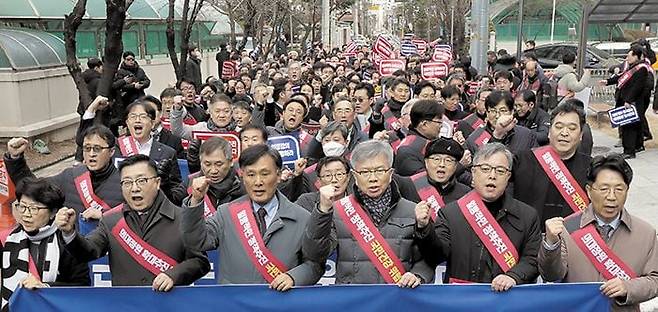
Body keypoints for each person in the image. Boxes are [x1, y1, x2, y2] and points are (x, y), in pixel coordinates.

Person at [55, 155, 210, 289]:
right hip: (126, 305)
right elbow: (87, 251)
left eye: (141, 181)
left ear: (157, 183)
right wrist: (69, 233)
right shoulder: (112, 220)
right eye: (127, 182)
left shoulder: (182, 218)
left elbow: (200, 262)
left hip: (169, 304)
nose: (134, 188)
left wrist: (174, 275)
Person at [180, 145, 324, 289]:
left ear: (279, 175)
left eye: (265, 174)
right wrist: (195, 201)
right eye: (251, 174)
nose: (258, 182)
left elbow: (314, 265)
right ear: (242, 176)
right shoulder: (226, 213)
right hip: (235, 303)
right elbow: (196, 242)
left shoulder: (302, 218)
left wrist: (294, 277)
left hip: (281, 302)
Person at [305, 140, 434, 286]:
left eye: (380, 171)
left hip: (398, 298)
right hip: (354, 301)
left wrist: (417, 275)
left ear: (391, 173)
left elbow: (427, 260)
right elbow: (315, 254)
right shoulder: (339, 211)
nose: (373, 178)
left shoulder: (412, 211)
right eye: (365, 172)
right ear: (354, 175)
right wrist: (322, 211)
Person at [539, 154, 658, 311]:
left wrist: (628, 288)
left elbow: (655, 280)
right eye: (604, 189)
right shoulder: (568, 228)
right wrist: (551, 243)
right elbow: (551, 275)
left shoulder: (645, 233)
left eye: (619, 189)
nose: (611, 197)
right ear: (589, 191)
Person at [415, 142, 541, 288]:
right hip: (460, 299)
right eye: (485, 169)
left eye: (500, 171)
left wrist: (513, 276)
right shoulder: (451, 213)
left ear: (508, 177)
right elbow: (436, 256)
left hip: (505, 300)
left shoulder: (527, 216)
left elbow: (532, 259)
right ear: (473, 172)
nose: (492, 176)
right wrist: (424, 228)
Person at [5, 114, 123, 235]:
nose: (91, 154)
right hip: (71, 247)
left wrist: (105, 216)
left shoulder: (125, 182)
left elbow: (136, 220)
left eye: (97, 148)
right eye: (87, 148)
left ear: (112, 151)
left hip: (108, 249)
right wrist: (15, 159)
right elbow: (34, 189)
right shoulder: (71, 176)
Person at [1, 178, 90, 311]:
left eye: (34, 208)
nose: (26, 214)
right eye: (22, 206)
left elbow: (82, 286)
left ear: (53, 212)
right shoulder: (6, 239)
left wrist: (45, 288)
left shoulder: (68, 242)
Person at [512, 101, 591, 227]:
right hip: (529, 238)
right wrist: (498, 135)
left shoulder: (591, 168)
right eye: (559, 127)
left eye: (572, 128)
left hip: (572, 240)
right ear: (549, 131)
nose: (564, 133)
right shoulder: (523, 160)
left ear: (581, 135)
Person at [115, 100, 186, 205]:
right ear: (127, 123)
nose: (137, 120)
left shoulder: (168, 153)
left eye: (143, 116)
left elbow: (177, 191)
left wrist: (164, 183)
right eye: (133, 117)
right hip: (123, 207)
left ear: (152, 123)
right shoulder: (117, 148)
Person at [600, 46, 652, 159]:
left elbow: (637, 87)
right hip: (629, 100)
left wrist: (628, 100)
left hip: (633, 102)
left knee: (629, 126)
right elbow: (621, 77)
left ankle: (629, 151)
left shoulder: (642, 68)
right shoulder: (632, 67)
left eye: (629, 56)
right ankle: (638, 146)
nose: (627, 58)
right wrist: (608, 81)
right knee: (636, 125)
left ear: (636, 56)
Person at [409, 138, 471, 219]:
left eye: (448, 160)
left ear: (456, 165)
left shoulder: (465, 195)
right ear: (426, 162)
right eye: (436, 159)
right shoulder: (410, 186)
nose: (442, 164)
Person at [466, 91, 537, 155]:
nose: (497, 116)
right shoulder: (474, 139)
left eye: (503, 110)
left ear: (512, 112)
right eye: (493, 111)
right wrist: (497, 134)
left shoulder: (526, 135)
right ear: (487, 113)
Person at [187, 137, 245, 213]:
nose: (213, 171)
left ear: (231, 161)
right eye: (207, 164)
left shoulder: (243, 187)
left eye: (219, 164)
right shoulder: (191, 183)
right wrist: (195, 200)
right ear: (201, 162)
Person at [395, 99, 445, 176]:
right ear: (424, 124)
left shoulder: (432, 142)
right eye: (438, 122)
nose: (441, 126)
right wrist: (460, 165)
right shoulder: (407, 150)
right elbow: (425, 179)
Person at [170, 93, 236, 141]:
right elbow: (178, 130)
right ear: (210, 112)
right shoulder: (200, 129)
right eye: (217, 111)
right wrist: (177, 110)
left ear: (231, 112)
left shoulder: (240, 131)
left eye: (226, 111)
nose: (222, 115)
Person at [142, 95, 186, 159]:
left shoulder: (174, 139)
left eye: (151, 111)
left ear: (160, 113)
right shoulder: (129, 140)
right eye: (143, 113)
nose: (148, 116)